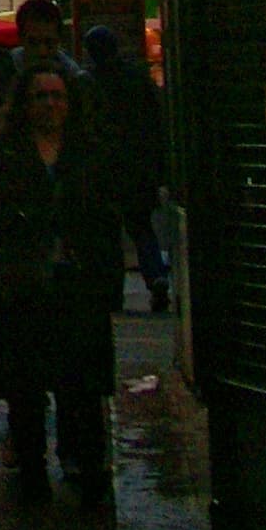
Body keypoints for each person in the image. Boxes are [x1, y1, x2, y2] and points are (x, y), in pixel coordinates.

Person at [0, 60, 121, 500]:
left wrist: (103, 277)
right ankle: (33, 464)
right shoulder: (5, 153)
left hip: (77, 285)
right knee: (27, 386)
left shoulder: (89, 152)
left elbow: (104, 218)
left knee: (81, 384)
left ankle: (88, 464)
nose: (51, 105)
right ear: (25, 103)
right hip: (25, 285)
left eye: (58, 96)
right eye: (41, 96)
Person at [81, 21, 171, 313]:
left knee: (108, 233)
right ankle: (156, 275)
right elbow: (154, 121)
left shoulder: (90, 82)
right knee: (141, 228)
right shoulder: (136, 77)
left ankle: (112, 291)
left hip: (105, 167)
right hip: (137, 166)